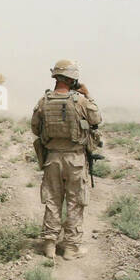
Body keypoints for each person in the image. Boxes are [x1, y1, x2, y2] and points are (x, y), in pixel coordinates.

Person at [31, 59, 102, 261]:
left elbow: (35, 128)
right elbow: (96, 120)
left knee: (53, 200)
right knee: (75, 202)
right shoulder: (81, 101)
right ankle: (71, 248)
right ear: (73, 79)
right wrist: (88, 94)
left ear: (56, 77)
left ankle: (50, 245)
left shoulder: (44, 101)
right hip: (75, 159)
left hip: (52, 158)